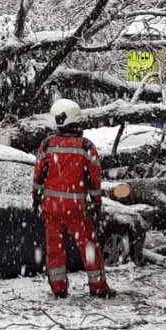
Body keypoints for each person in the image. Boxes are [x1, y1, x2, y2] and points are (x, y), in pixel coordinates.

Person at [33, 98, 112, 298]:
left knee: (55, 250)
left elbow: (38, 175)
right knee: (88, 247)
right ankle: (98, 287)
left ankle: (59, 289)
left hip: (51, 207)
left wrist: (36, 198)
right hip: (76, 208)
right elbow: (95, 180)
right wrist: (96, 204)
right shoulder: (86, 147)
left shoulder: (48, 144)